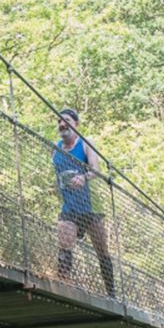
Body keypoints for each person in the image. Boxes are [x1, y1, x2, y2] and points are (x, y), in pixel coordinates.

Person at [52, 108, 115, 297]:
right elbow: (55, 176)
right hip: (69, 206)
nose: (62, 124)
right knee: (64, 243)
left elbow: (96, 170)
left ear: (76, 124)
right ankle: (61, 288)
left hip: (90, 207)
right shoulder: (55, 148)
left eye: (67, 120)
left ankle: (111, 294)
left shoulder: (86, 143)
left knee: (101, 250)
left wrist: (83, 177)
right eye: (59, 121)